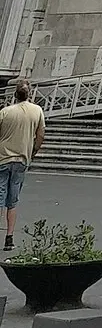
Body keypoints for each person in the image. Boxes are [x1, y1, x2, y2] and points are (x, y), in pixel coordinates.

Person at [0, 79, 44, 251]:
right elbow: (40, 135)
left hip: (2, 159)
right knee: (13, 200)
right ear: (30, 94)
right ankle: (9, 237)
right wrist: (32, 152)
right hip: (22, 160)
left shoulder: (5, 112)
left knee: (0, 198)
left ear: (14, 94)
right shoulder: (37, 111)